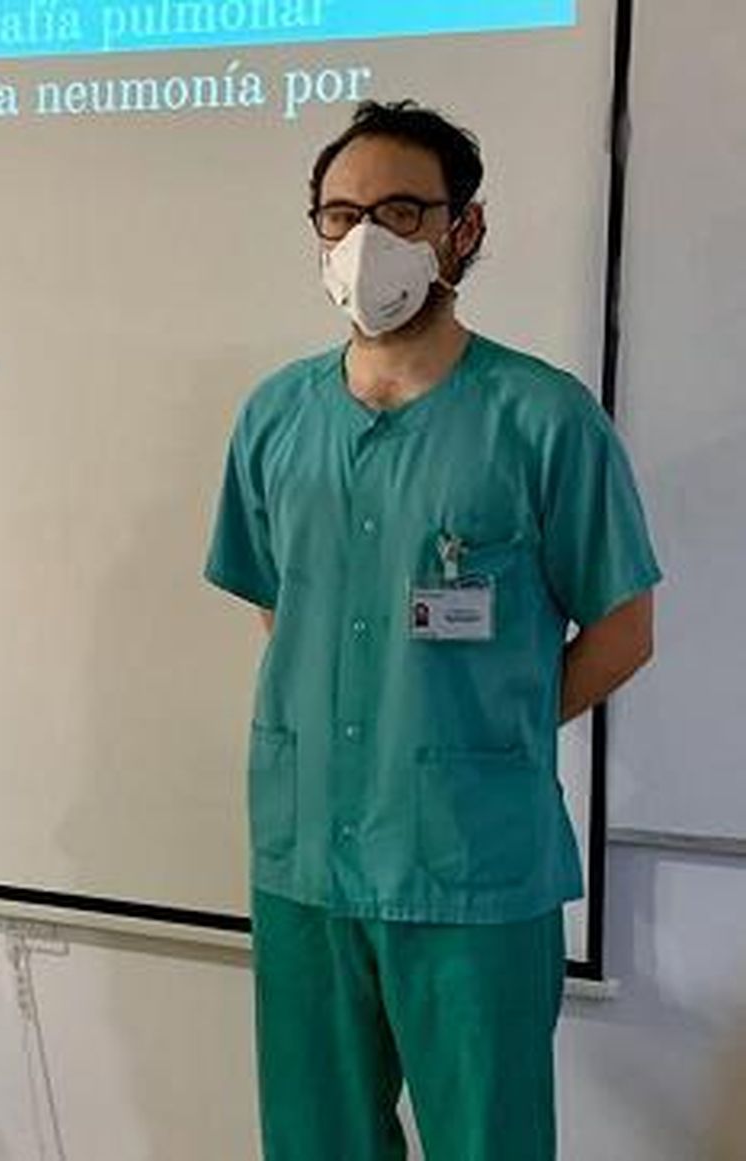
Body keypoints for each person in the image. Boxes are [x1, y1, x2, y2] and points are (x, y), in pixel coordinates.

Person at [205, 101, 661, 1161]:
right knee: (316, 1142)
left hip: (472, 867)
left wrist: (482, 720)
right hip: (305, 857)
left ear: (465, 231)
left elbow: (625, 629)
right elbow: (285, 604)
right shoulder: (275, 418)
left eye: (403, 209)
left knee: (486, 1141)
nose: (367, 239)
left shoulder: (544, 420)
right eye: (340, 213)